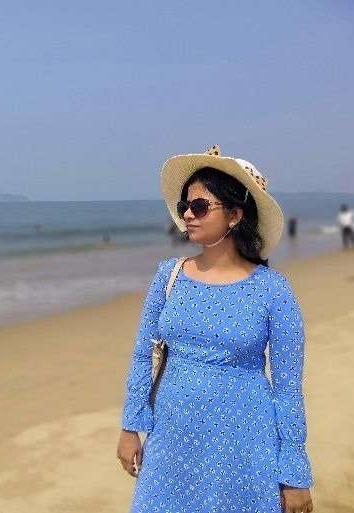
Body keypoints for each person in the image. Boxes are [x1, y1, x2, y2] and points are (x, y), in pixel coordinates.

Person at [117, 144, 314, 513]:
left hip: (244, 444)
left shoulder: (273, 290)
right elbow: (144, 354)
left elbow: (288, 392)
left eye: (200, 206)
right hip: (171, 440)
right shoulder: (168, 276)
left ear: (235, 215)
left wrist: (295, 474)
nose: (188, 215)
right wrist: (131, 426)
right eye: (184, 207)